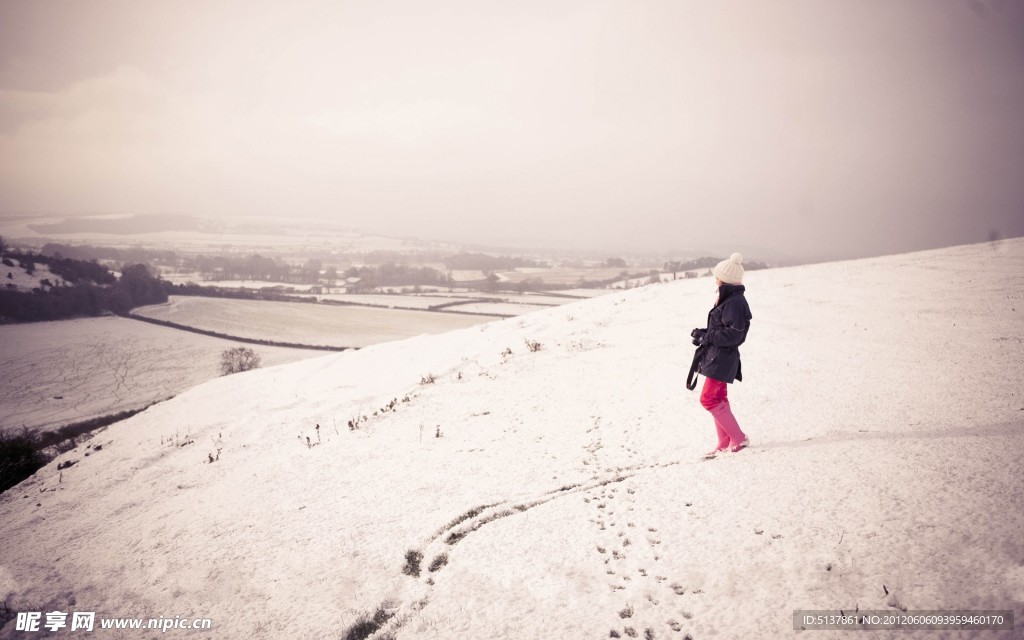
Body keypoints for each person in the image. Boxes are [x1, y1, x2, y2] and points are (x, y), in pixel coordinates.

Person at [691, 253, 752, 456]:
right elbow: (723, 329)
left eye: (717, 276)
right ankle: (724, 440)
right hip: (718, 356)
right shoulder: (729, 299)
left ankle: (739, 437)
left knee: (708, 399)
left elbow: (734, 334)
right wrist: (703, 334)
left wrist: (707, 337)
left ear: (725, 279)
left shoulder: (734, 302)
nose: (715, 279)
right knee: (719, 397)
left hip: (722, 358)